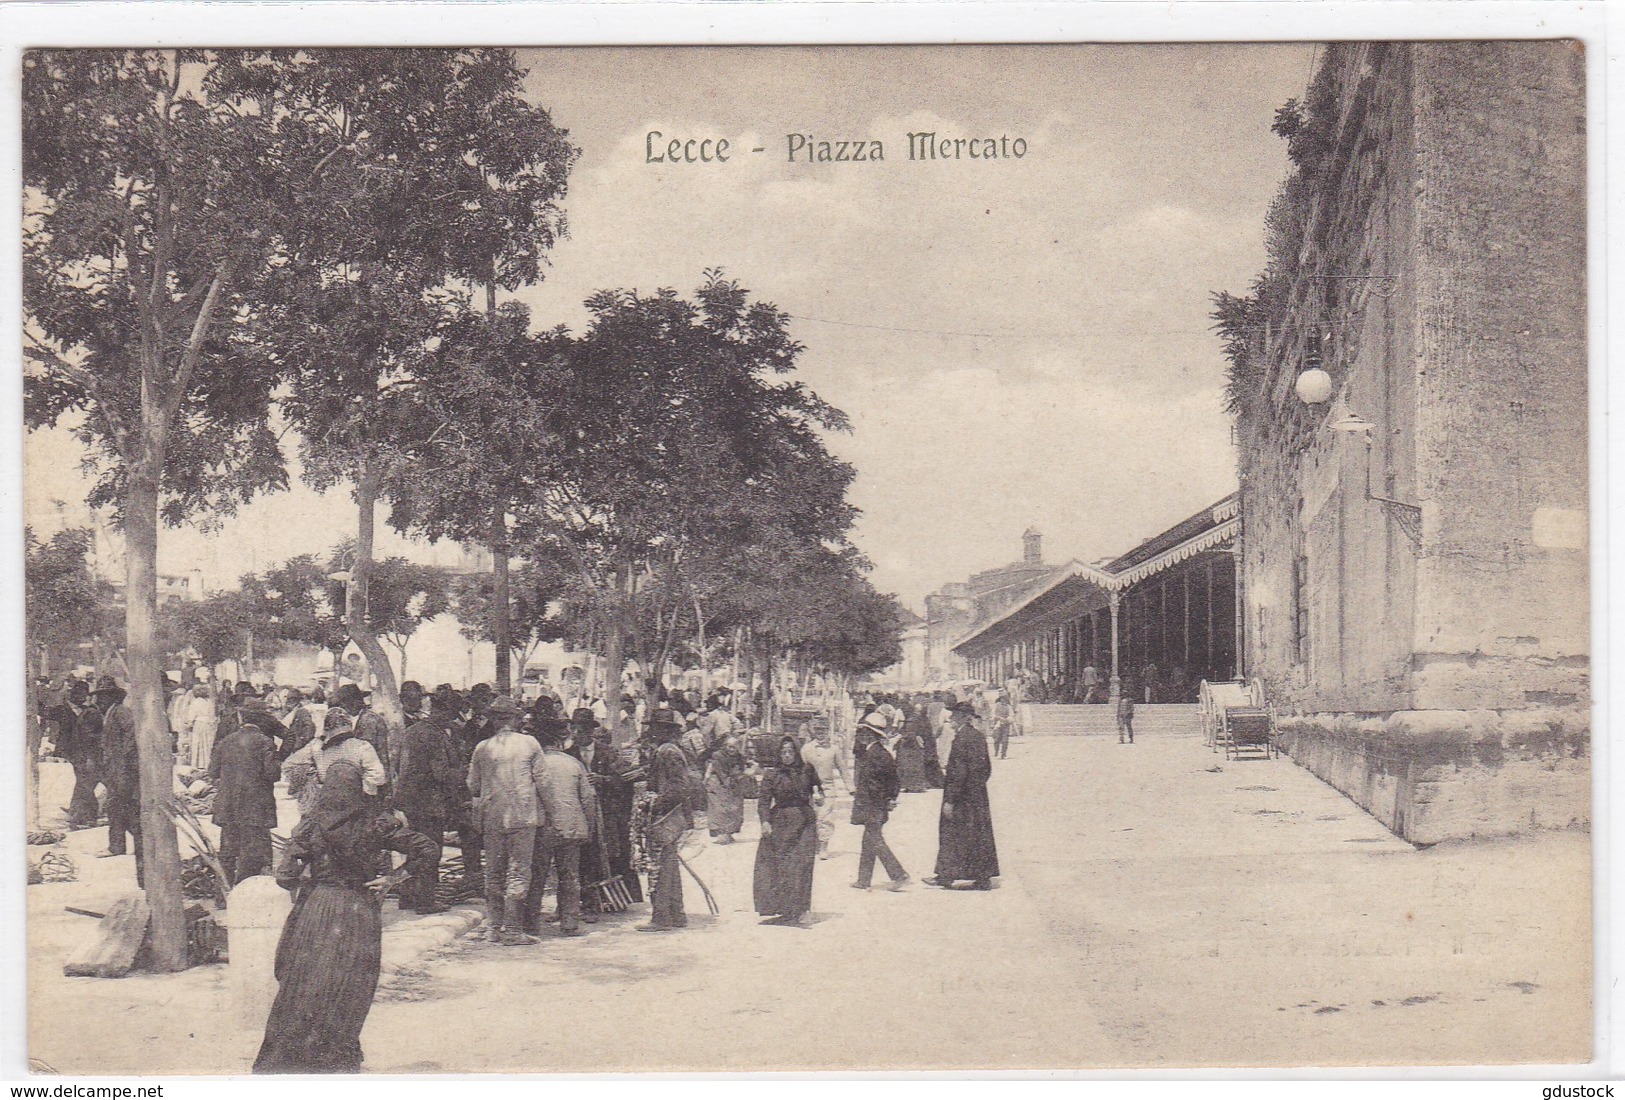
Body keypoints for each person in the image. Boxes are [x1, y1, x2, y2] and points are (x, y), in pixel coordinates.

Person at [253, 762, 438, 1074]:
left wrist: (309, 871)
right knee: (350, 986)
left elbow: (285, 876)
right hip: (359, 910)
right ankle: (338, 1059)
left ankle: (292, 1062)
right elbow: (428, 849)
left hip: (318, 909)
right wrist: (394, 877)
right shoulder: (377, 820)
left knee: (306, 983)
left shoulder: (312, 823)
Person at [466, 696, 546, 946]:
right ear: (515, 718)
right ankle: (512, 929)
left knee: (494, 872)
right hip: (523, 815)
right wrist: (551, 813)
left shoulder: (482, 747)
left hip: (493, 816)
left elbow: (473, 786)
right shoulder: (530, 744)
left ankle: (493, 928)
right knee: (519, 871)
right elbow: (543, 781)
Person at [524, 723, 598, 936]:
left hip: (542, 827)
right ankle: (569, 922)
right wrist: (589, 828)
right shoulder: (574, 763)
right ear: (559, 742)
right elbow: (587, 800)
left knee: (537, 875)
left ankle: (530, 924)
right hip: (571, 826)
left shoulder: (533, 764)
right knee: (570, 876)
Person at [393, 691, 463, 914]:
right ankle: (425, 901)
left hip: (410, 802)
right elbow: (441, 773)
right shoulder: (433, 735)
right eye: (451, 714)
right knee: (431, 850)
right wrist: (463, 773)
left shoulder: (412, 731)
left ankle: (408, 895)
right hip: (429, 803)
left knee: (415, 850)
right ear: (444, 712)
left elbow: (397, 765)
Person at [926, 700, 1000, 890]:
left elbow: (958, 773)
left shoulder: (961, 739)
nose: (951, 717)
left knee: (952, 835)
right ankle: (982, 877)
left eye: (956, 715)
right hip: (977, 796)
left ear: (965, 717)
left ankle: (945, 876)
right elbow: (986, 769)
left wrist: (950, 799)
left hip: (960, 798)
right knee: (978, 835)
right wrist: (976, 787)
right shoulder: (978, 736)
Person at [753, 736, 824, 927]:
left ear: (796, 752)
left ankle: (802, 910)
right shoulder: (772, 774)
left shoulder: (807, 770)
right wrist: (765, 822)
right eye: (783, 752)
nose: (786, 756)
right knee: (780, 867)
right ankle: (785, 910)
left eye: (790, 752)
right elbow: (764, 802)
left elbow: (818, 789)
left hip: (804, 821)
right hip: (781, 823)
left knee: (801, 865)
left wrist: (819, 796)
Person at [210, 701, 281, 885]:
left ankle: (222, 894)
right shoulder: (265, 742)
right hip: (256, 806)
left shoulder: (226, 741)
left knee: (227, 851)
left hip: (228, 805)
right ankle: (246, 891)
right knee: (253, 852)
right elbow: (273, 774)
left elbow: (212, 772)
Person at [640, 718, 693, 932]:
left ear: (664, 731)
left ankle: (661, 917)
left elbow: (679, 786)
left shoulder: (667, 752)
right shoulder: (668, 750)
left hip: (667, 816)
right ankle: (676, 914)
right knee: (669, 866)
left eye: (655, 728)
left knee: (660, 867)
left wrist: (655, 804)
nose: (651, 732)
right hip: (671, 814)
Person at [281, 709, 386, 816]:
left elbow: (288, 766)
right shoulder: (362, 746)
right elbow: (378, 776)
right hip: (352, 803)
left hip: (325, 801)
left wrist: (311, 777)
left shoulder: (316, 746)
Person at [850, 712, 909, 892]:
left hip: (872, 805)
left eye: (863, 732)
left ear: (869, 734)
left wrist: (882, 801)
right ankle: (863, 879)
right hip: (876, 805)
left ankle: (898, 874)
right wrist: (891, 798)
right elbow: (895, 781)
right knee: (869, 840)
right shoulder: (880, 753)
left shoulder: (874, 755)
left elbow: (876, 784)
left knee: (874, 839)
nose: (860, 735)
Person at [587, 724, 643, 904]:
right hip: (596, 811)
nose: (597, 742)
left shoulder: (612, 755)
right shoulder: (580, 752)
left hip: (614, 812)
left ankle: (628, 896)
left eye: (600, 739)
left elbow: (630, 777)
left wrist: (603, 780)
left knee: (617, 852)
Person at [98, 679, 141, 882]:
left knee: (124, 807)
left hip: (122, 770)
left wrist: (124, 757)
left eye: (103, 695)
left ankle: (134, 843)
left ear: (113, 696)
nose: (99, 699)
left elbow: (133, 732)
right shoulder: (111, 712)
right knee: (115, 808)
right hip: (114, 769)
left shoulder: (121, 712)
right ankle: (117, 845)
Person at [50, 679, 103, 828]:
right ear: (72, 694)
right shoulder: (62, 709)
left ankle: (81, 812)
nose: (81, 697)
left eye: (84, 694)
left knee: (85, 781)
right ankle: (81, 812)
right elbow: (47, 712)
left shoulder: (90, 711)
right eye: (78, 693)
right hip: (71, 750)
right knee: (84, 780)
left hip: (86, 752)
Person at [799, 724, 849, 859]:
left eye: (824, 730)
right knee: (810, 818)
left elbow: (843, 769)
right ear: (814, 731)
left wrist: (851, 788)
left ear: (828, 731)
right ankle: (812, 846)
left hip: (827, 789)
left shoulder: (834, 749)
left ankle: (823, 847)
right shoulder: (806, 749)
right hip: (808, 788)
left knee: (824, 818)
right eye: (818, 730)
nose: (821, 733)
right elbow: (800, 769)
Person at [704, 733, 749, 844]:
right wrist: (730, 781)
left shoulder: (740, 756)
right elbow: (721, 774)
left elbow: (742, 769)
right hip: (718, 783)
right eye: (729, 746)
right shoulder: (718, 756)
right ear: (725, 746)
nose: (732, 749)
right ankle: (722, 834)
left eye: (734, 747)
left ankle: (729, 833)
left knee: (734, 808)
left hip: (733, 782)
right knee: (720, 809)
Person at [895, 705, 930, 792]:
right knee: (916, 766)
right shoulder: (917, 719)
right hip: (917, 744)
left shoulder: (910, 721)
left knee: (909, 766)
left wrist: (902, 738)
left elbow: (909, 733)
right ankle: (916, 785)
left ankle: (911, 786)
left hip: (911, 745)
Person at [990, 693, 1014, 760]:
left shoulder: (1008, 707)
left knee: (1005, 740)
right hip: (997, 724)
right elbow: (992, 714)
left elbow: (1011, 716)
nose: (1003, 700)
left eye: (1005, 699)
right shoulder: (996, 706)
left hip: (1006, 724)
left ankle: (1003, 754)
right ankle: (996, 752)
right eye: (1002, 699)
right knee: (997, 739)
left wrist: (1007, 719)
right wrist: (995, 717)